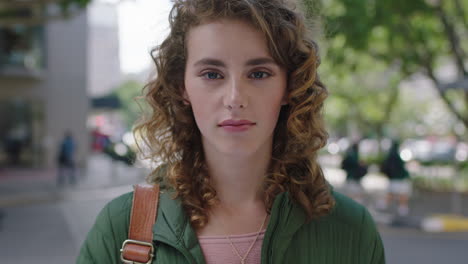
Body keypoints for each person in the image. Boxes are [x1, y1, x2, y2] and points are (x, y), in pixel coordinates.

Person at [77, 0, 385, 263]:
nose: (235, 98)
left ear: (289, 86)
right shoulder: (121, 227)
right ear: (182, 85)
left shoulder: (349, 230)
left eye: (259, 73)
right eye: (212, 74)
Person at [380, 140, 411, 216]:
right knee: (403, 194)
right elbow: (402, 167)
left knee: (391, 193)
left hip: (392, 178)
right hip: (400, 178)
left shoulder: (390, 155)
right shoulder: (397, 156)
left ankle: (384, 205)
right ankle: (402, 208)